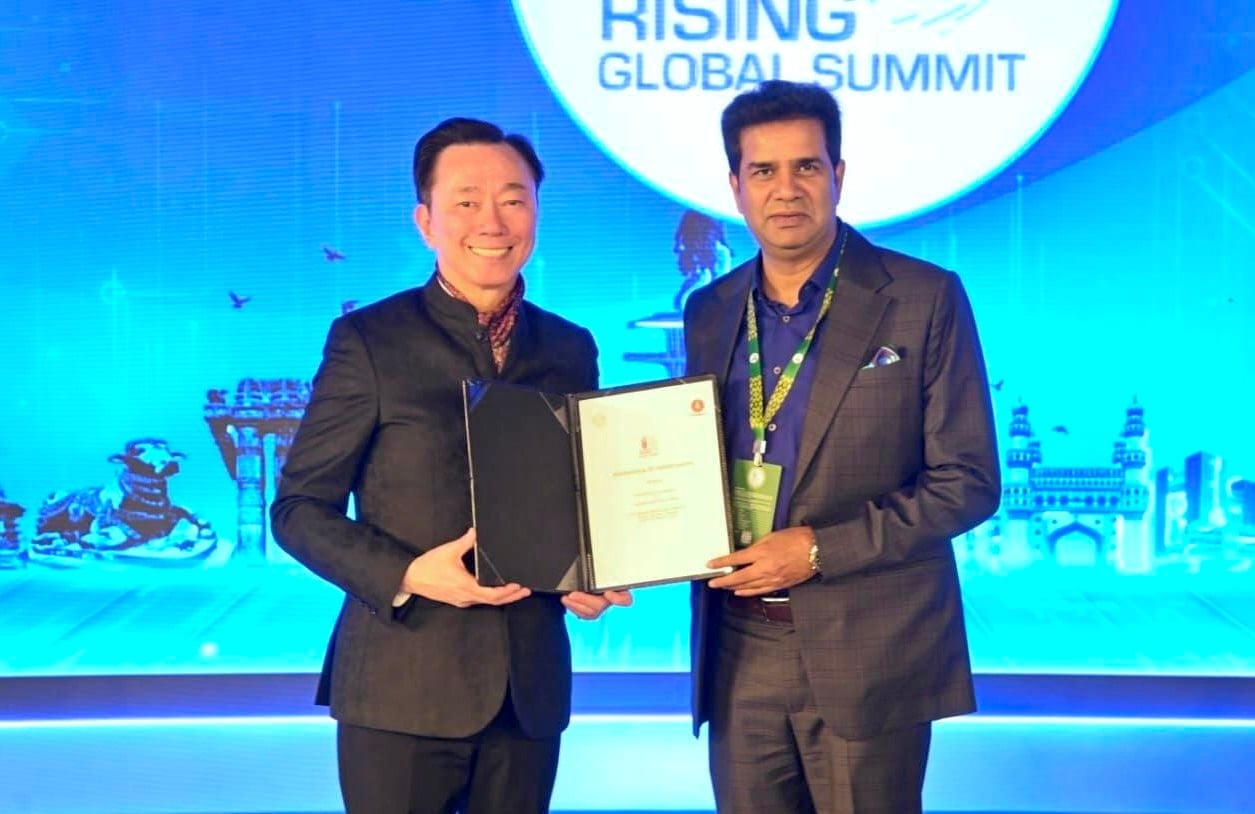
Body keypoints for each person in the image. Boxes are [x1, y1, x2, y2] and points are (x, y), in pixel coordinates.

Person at [271, 117, 630, 814]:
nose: (492, 222)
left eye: (513, 200)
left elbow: (574, 501)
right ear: (425, 221)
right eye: (466, 201)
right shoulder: (369, 340)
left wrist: (592, 571)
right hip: (402, 686)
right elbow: (298, 511)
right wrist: (407, 573)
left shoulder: (569, 347)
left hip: (527, 693)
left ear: (536, 213)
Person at [683, 80, 1000, 813]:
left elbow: (967, 480)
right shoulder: (711, 310)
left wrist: (820, 549)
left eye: (807, 166)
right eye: (763, 170)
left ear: (839, 175)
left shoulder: (922, 297)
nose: (786, 189)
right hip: (738, 646)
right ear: (735, 187)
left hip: (871, 647)